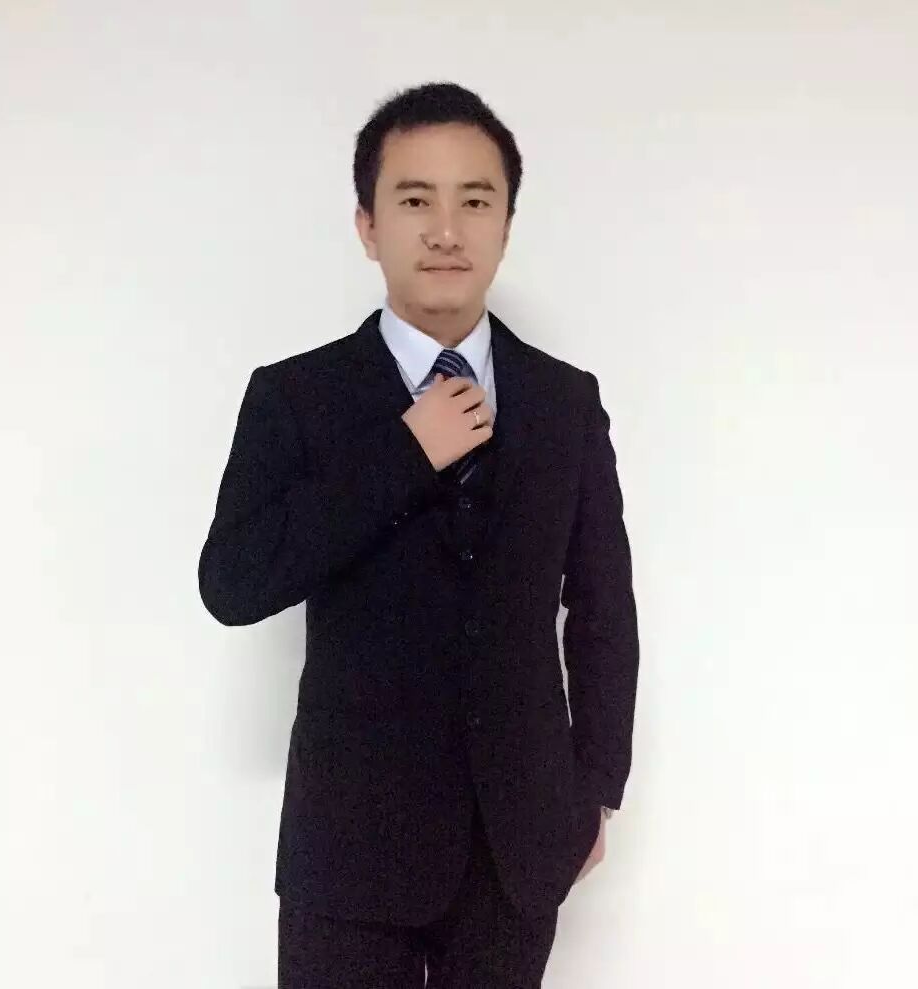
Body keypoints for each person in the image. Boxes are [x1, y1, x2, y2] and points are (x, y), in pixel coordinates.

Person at [198, 80, 639, 989]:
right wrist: (404, 450)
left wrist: (595, 788)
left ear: (506, 225)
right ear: (367, 226)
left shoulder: (564, 400)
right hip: (349, 848)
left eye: (474, 201)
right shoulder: (295, 396)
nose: (445, 230)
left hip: (519, 840)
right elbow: (233, 582)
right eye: (413, 201)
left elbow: (602, 607)